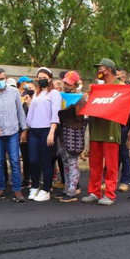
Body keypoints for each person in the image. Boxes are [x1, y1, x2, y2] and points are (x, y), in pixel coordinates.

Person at [81, 58, 122, 206]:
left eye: (101, 68)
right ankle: (94, 192)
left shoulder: (120, 86)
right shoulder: (97, 88)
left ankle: (110, 194)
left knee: (111, 165)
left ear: (109, 69)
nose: (99, 71)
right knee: (95, 163)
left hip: (111, 129)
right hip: (96, 128)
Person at [0, 68, 28, 202]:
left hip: (13, 131)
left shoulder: (14, 92)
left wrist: (24, 129)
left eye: (1, 79)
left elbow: (20, 111)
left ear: (6, 78)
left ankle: (17, 189)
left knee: (15, 161)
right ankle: (1, 188)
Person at [26, 67, 62, 202]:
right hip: (34, 130)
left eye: (44, 78)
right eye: (39, 78)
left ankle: (46, 189)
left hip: (47, 130)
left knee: (46, 161)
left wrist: (52, 132)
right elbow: (31, 113)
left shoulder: (54, 94)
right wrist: (26, 129)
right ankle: (35, 186)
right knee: (33, 160)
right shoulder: (36, 94)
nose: (41, 80)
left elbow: (55, 113)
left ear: (50, 78)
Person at [56, 71, 86, 202]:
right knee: (65, 162)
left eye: (69, 84)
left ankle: (72, 190)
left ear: (76, 85)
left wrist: (72, 107)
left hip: (74, 132)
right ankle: (67, 188)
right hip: (63, 132)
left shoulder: (80, 98)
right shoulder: (62, 96)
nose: (66, 86)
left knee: (72, 162)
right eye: (65, 83)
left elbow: (80, 118)